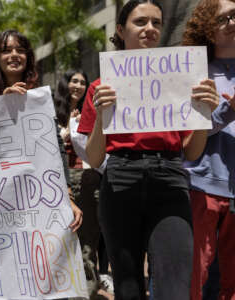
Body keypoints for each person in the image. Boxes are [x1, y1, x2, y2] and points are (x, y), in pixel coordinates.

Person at [79, 1, 220, 299]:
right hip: (119, 180)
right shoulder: (100, 87)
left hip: (170, 179)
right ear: (121, 29)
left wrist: (203, 114)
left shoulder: (181, 82)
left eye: (156, 22)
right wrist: (103, 116)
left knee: (175, 284)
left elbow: (192, 153)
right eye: (141, 22)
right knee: (128, 285)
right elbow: (94, 158)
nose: (150, 29)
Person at [0, 29, 83, 232]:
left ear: (27, 58)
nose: (14, 55)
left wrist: (66, 192)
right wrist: (1, 104)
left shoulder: (40, 99)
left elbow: (56, 147)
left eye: (20, 50)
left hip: (39, 195)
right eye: (6, 50)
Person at [183, 0, 235, 298]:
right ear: (207, 30)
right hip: (202, 186)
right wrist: (228, 109)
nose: (231, 23)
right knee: (195, 275)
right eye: (222, 19)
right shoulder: (195, 73)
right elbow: (190, 130)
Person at [54, 70, 114, 295]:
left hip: (88, 178)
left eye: (83, 82)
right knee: (60, 240)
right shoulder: (50, 112)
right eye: (74, 81)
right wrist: (64, 133)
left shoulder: (90, 112)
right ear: (64, 84)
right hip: (60, 181)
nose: (78, 86)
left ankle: (87, 291)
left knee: (87, 242)